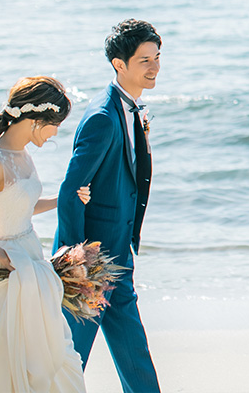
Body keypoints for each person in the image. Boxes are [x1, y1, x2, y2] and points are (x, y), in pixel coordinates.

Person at [0, 76, 92, 392]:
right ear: (35, 120)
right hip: (3, 268)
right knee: (1, 354)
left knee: (44, 350)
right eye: (55, 125)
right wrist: (5, 259)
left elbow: (17, 206)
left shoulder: (22, 154)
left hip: (30, 260)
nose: (56, 132)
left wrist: (61, 200)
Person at [56, 19, 162, 393]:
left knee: (132, 345)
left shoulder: (130, 109)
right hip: (93, 262)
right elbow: (71, 191)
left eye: (157, 57)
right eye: (144, 60)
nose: (154, 67)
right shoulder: (102, 117)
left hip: (119, 253)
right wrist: (75, 262)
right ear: (120, 64)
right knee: (70, 356)